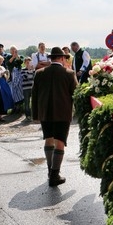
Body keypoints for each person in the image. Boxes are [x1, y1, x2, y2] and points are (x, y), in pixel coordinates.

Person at [32, 47, 78, 187]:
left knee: (48, 140)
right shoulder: (69, 73)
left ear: (51, 58)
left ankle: (50, 171)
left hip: (45, 113)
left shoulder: (39, 73)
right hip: (62, 113)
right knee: (60, 142)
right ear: (62, 58)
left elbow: (35, 95)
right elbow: (76, 94)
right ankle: (54, 175)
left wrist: (36, 115)